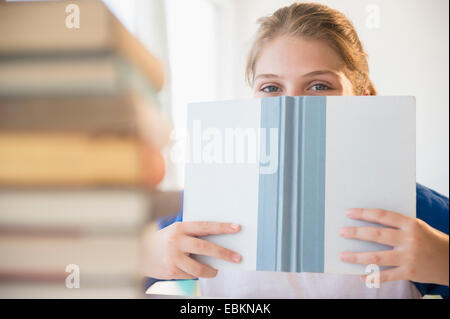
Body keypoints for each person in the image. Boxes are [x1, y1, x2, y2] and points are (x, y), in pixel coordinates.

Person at [140, 2, 449, 298]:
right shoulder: (202, 204)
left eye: (319, 86)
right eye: (271, 88)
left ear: (363, 99)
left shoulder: (414, 212)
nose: (291, 106)